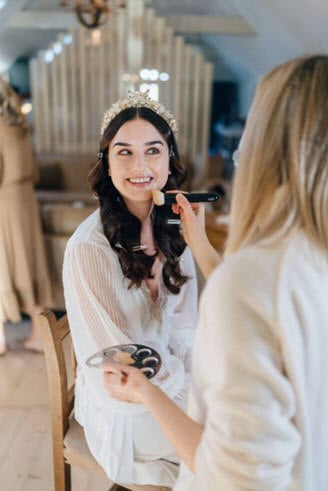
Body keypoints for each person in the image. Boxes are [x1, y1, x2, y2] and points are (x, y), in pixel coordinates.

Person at [103, 54, 328, 491]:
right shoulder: (298, 263)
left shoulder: (255, 280)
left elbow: (234, 478)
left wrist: (146, 391)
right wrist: (203, 246)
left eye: (153, 150)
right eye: (124, 152)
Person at [62, 91, 198, 489]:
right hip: (124, 403)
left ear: (169, 160)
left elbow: (188, 326)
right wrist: (190, 394)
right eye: (124, 152)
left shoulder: (175, 230)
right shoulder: (89, 248)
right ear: (106, 162)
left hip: (170, 383)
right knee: (230, 447)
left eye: (153, 151)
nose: (140, 166)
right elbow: (120, 361)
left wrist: (200, 383)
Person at [0, 77, 52, 355]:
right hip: (25, 199)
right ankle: (37, 334)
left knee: (4, 265)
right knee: (29, 263)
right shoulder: (19, 126)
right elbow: (34, 170)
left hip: (3, 202)